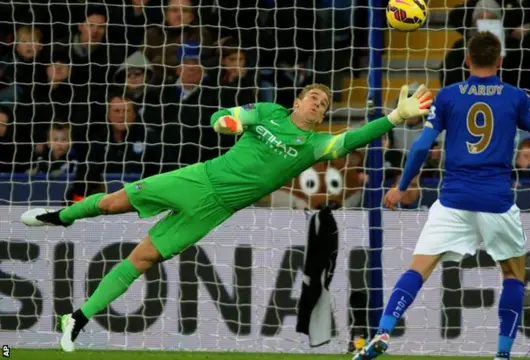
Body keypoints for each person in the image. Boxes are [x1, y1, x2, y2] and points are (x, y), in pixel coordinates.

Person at [20, 82, 433, 352]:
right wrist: (230, 121)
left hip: (215, 209)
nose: (318, 103)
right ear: (297, 101)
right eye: (313, 97)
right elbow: (226, 118)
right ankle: (62, 215)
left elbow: (354, 137)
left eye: (324, 104)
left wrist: (395, 117)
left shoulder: (316, 145)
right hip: (197, 179)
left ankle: (76, 318)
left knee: (143, 259)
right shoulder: (270, 112)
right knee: (112, 203)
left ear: (323, 116)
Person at [352, 32, 530, 360]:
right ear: (500, 61)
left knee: (418, 269)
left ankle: (384, 330)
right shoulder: (517, 97)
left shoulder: (446, 96)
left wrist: (401, 187)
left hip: (453, 201)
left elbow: (419, 147)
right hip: (497, 202)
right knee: (513, 276)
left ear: (466, 60)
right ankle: (502, 354)